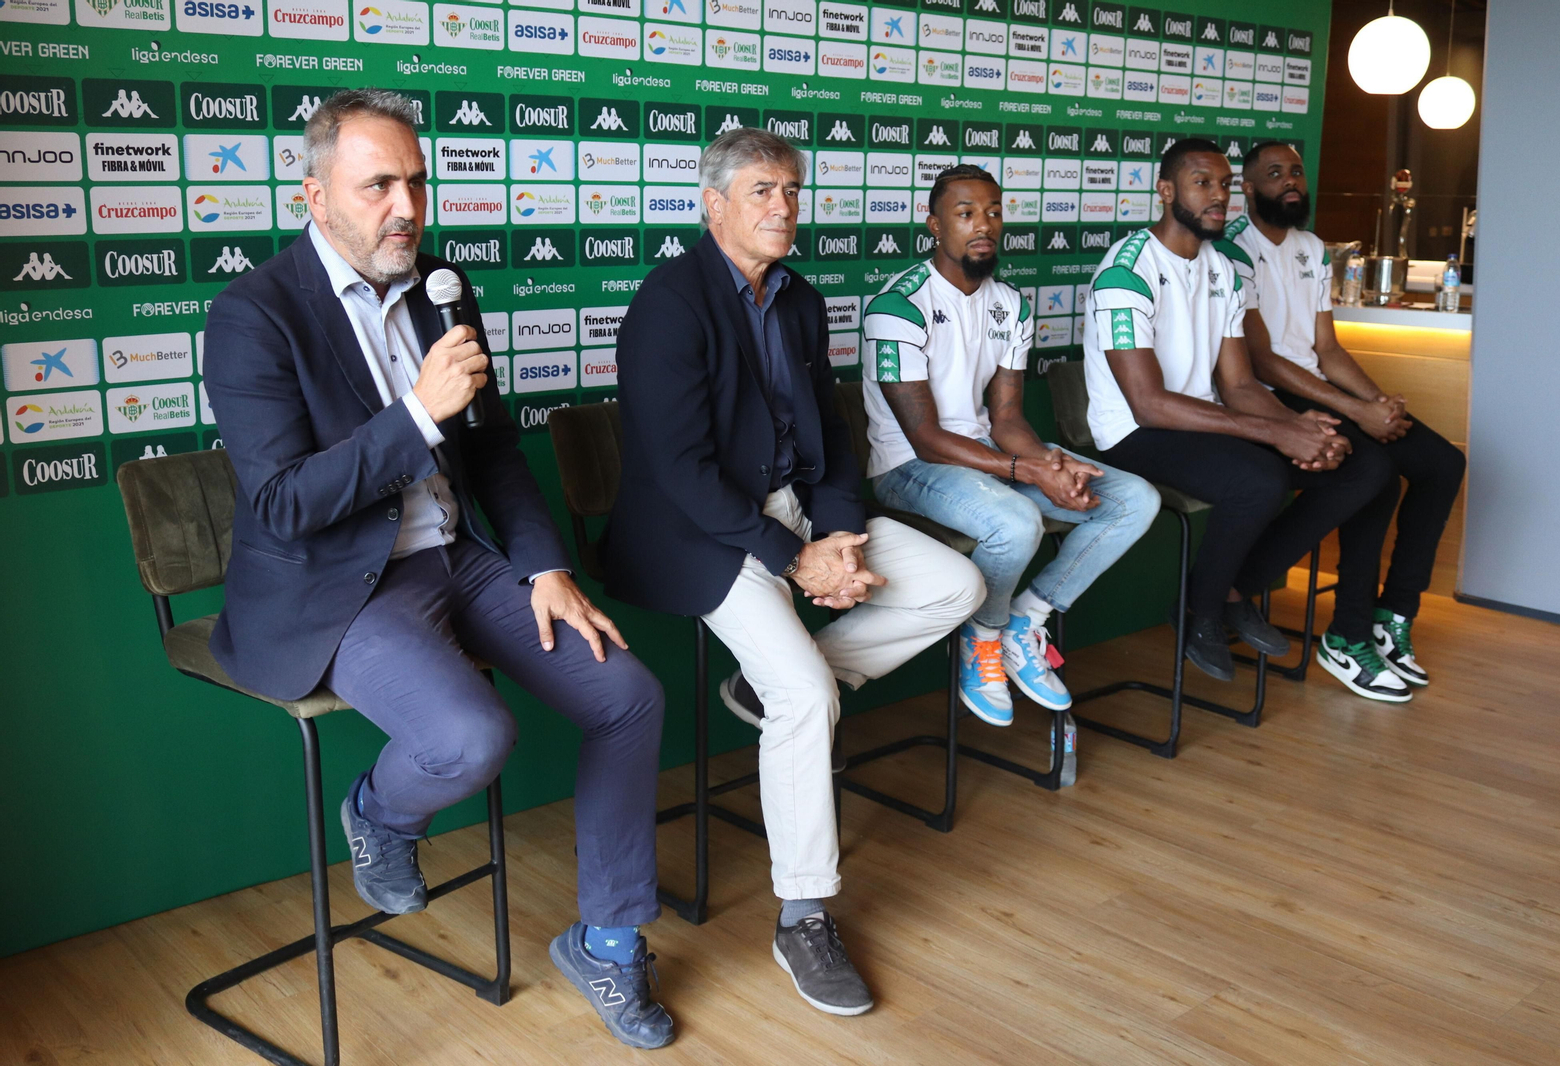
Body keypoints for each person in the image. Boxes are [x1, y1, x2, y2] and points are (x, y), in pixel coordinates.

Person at [203, 89, 674, 1050]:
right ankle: (378, 813)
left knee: (629, 694)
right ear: (315, 195)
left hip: (457, 557)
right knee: (470, 737)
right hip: (339, 587)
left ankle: (609, 942)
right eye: (377, 184)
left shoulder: (438, 291)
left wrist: (543, 567)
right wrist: (416, 414)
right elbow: (285, 502)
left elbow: (494, 452)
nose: (406, 206)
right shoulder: (252, 315)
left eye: (415, 181)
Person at [604, 128, 985, 1016]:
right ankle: (803, 916)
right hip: (700, 534)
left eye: (791, 190)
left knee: (955, 587)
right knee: (807, 698)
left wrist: (841, 536)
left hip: (801, 514)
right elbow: (678, 468)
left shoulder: (801, 301)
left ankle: (778, 686)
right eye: (762, 192)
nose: (783, 207)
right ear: (715, 206)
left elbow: (835, 442)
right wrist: (794, 558)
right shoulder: (669, 302)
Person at [1083, 138, 1408, 700]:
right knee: (1259, 480)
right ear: (1166, 192)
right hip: (1134, 433)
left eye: (1225, 186)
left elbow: (1236, 384)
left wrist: (1303, 430)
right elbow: (1148, 403)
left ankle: (1232, 591)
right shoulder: (1126, 272)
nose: (1218, 197)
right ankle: (1199, 609)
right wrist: (1279, 433)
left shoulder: (1222, 269)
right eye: (1202, 184)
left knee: (1363, 467)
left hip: (1199, 420)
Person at [861, 164, 1159, 726]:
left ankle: (1026, 616)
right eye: (966, 213)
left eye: (994, 212)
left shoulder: (1012, 304)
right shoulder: (896, 306)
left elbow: (1006, 416)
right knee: (1017, 521)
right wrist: (1029, 471)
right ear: (933, 225)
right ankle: (984, 638)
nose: (984, 225)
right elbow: (924, 438)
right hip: (909, 468)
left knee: (1133, 499)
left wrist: (1051, 464)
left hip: (985, 456)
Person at [1219, 141, 1466, 692]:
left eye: (1297, 173)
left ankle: (1391, 617)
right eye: (1275, 173)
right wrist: (1357, 412)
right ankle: (1345, 636)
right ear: (1249, 188)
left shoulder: (1311, 247)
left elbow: (1327, 349)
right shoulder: (1234, 251)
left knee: (1443, 464)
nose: (1289, 182)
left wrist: (1376, 405)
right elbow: (1262, 359)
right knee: (1373, 474)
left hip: (1322, 388)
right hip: (1269, 399)